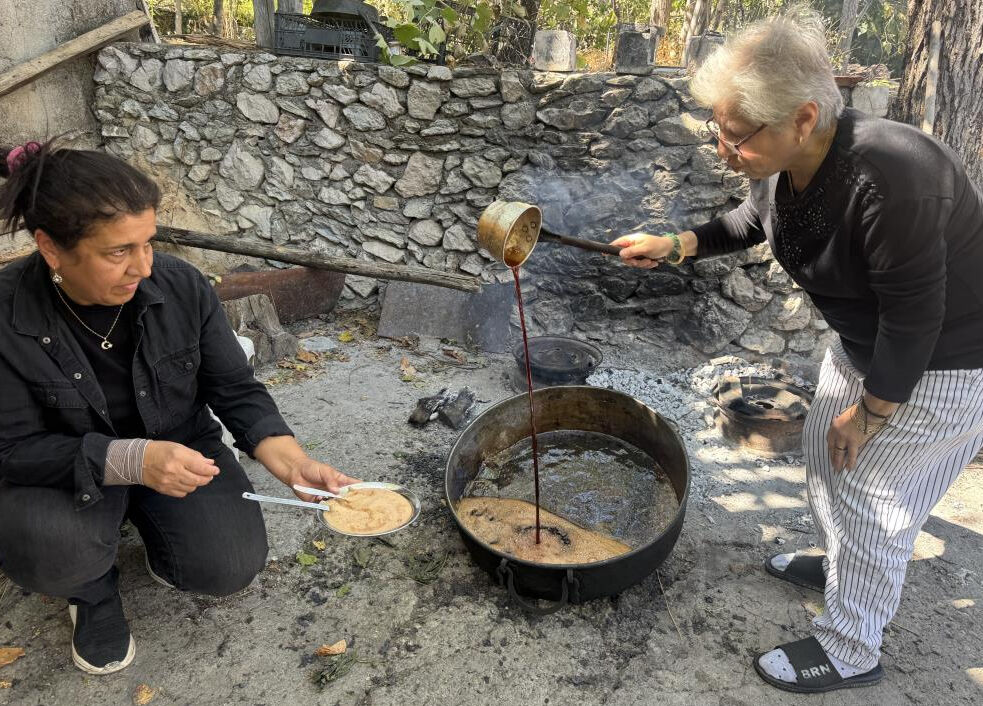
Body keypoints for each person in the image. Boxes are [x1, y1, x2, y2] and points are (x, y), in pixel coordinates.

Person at [611, 9, 983, 695]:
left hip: (941, 363)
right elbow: (753, 220)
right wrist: (677, 244)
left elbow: (915, 315)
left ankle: (849, 648)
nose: (722, 149)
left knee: (875, 499)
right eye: (717, 130)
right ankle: (839, 561)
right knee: (822, 454)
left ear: (803, 117)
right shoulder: (784, 162)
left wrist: (870, 412)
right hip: (862, 346)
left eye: (734, 135)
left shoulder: (894, 175)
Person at [0, 142, 357, 675]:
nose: (143, 268)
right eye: (118, 251)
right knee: (53, 549)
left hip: (180, 445)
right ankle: (92, 593)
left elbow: (233, 389)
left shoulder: (181, 285)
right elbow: (12, 450)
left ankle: (158, 535)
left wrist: (291, 461)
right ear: (51, 248)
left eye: (149, 243)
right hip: (63, 470)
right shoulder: (7, 313)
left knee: (227, 565)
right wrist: (130, 461)